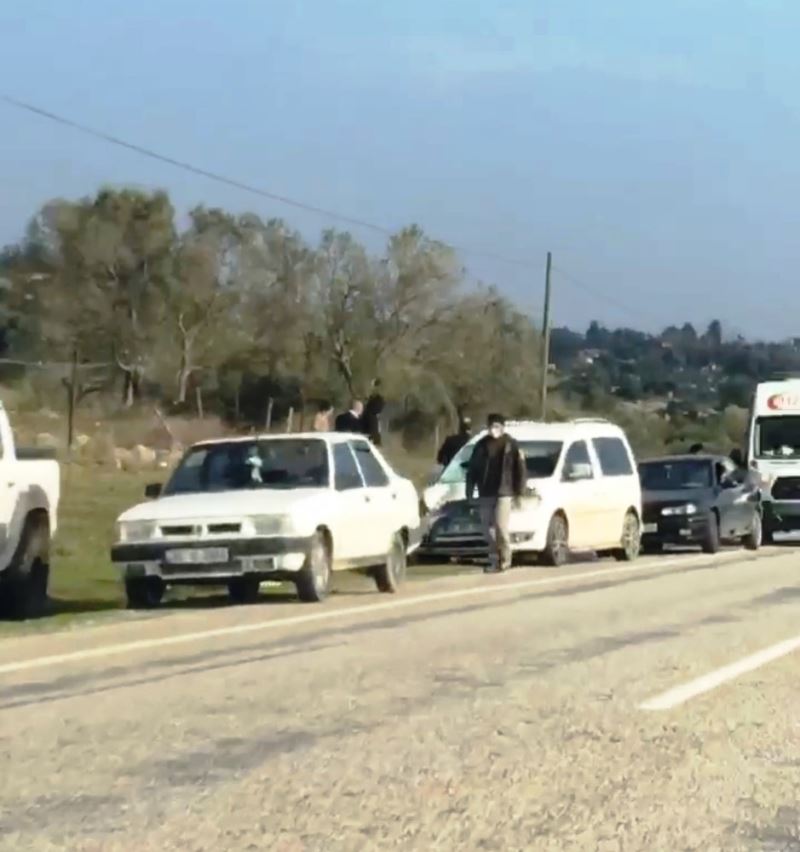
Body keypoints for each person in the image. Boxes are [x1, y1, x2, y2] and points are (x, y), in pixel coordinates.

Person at [465, 413, 526, 573]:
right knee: (487, 528)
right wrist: (469, 493)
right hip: (485, 491)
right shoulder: (480, 445)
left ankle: (505, 559)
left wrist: (519, 492)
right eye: (491, 426)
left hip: (504, 491)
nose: (494, 429)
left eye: (497, 426)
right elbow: (472, 470)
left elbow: (520, 470)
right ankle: (494, 558)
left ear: (503, 427)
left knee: (500, 526)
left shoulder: (511, 445)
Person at [362, 379, 385, 445]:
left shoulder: (379, 399)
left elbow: (376, 411)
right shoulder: (371, 398)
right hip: (368, 425)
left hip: (373, 426)